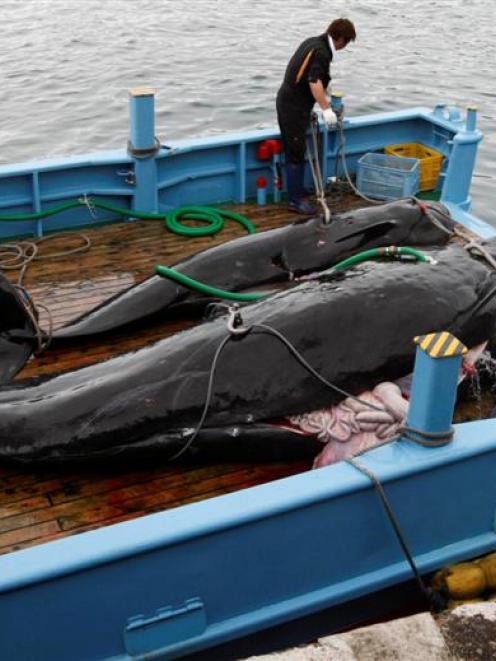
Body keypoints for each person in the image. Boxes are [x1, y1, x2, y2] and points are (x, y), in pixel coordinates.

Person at [276, 18, 356, 215]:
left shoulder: (313, 41)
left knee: (298, 149)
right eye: (346, 42)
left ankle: (299, 191)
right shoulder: (322, 52)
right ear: (340, 39)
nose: (344, 47)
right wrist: (326, 109)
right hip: (292, 108)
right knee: (295, 152)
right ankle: (295, 200)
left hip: (294, 103)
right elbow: (313, 81)